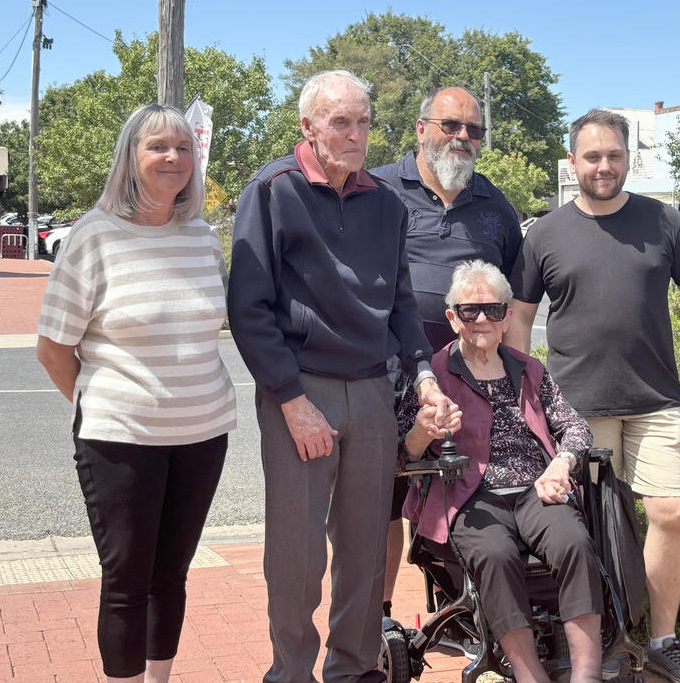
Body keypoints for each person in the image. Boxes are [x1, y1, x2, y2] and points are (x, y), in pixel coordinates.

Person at [227, 69, 455, 683]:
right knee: (297, 554)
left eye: (363, 121)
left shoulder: (384, 200)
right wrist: (291, 401)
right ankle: (291, 671)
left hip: (373, 392)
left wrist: (425, 379)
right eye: (339, 122)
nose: (355, 135)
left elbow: (402, 305)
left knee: (363, 550)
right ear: (308, 126)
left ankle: (354, 670)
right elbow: (248, 308)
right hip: (302, 390)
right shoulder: (274, 189)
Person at [507, 109, 680, 683]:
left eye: (615, 156)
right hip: (578, 409)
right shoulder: (545, 234)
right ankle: (602, 641)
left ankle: (662, 641)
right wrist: (529, 401)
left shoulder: (664, 221)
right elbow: (519, 322)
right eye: (592, 156)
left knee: (670, 512)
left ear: (629, 159)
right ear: (573, 162)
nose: (604, 166)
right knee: (594, 530)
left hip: (656, 400)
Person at [35, 104, 237, 683]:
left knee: (171, 575)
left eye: (182, 147)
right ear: (130, 157)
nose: (172, 157)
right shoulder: (92, 237)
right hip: (120, 441)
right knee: (126, 581)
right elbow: (53, 350)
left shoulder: (200, 236)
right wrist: (106, 404)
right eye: (157, 147)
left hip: (203, 436)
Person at [399, 260, 602, 683]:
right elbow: (403, 453)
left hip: (535, 487)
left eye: (493, 310)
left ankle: (587, 674)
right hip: (468, 496)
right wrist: (422, 430)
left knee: (574, 541)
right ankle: (531, 676)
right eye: (469, 311)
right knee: (495, 554)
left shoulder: (529, 369)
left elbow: (574, 426)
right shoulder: (431, 376)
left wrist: (562, 463)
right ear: (452, 318)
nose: (482, 320)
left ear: (508, 317)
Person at [371, 85, 522, 621]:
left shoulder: (493, 205)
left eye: (473, 130)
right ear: (420, 128)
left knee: (465, 491)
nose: (462, 137)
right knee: (385, 500)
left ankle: (465, 615)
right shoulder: (380, 189)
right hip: (389, 380)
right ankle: (379, 620)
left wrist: (516, 382)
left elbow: (514, 299)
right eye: (450, 126)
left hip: (465, 384)